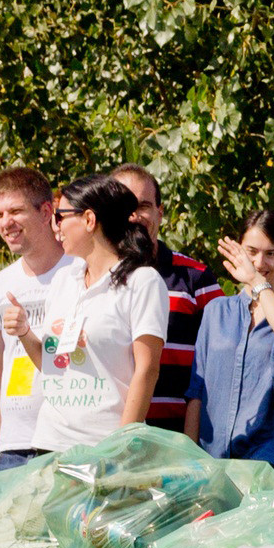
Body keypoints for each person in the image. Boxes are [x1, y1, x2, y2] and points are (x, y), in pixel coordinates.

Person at [0, 174, 165, 452]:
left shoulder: (142, 281)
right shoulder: (64, 280)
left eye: (61, 217)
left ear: (89, 220)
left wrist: (120, 448)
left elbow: (147, 370)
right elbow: (53, 366)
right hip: (49, 444)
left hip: (104, 447)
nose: (55, 227)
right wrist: (25, 332)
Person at [192, 210, 274, 473]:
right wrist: (189, 457)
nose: (259, 262)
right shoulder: (216, 311)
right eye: (252, 251)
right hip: (212, 453)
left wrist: (258, 283)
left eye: (271, 253)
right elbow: (196, 391)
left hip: (271, 449)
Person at [0, 169, 76, 474]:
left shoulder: (80, 272)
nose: (6, 223)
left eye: (16, 211)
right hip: (12, 448)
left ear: (46, 212)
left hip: (67, 444)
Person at [112, 164, 218, 434]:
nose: (134, 216)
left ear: (160, 212)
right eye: (123, 207)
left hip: (178, 437)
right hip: (105, 434)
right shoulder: (89, 279)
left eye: (144, 206)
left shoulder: (197, 279)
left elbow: (218, 363)